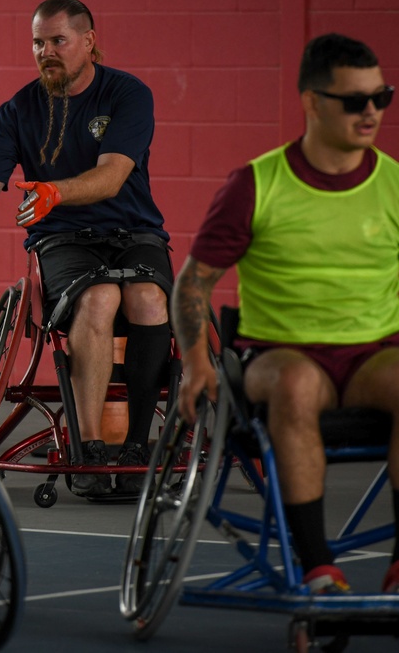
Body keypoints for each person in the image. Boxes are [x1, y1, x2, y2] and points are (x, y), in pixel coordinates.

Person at [171, 32, 399, 595]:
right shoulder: (256, 185)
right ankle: (319, 567)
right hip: (280, 353)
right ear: (312, 102)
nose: (371, 112)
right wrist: (196, 362)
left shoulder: (394, 184)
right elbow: (193, 282)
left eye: (381, 97)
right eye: (355, 100)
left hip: (373, 356)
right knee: (294, 384)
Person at [0, 0, 171, 497]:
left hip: (134, 232)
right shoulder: (18, 110)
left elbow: (112, 176)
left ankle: (137, 446)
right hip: (62, 239)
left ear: (89, 42)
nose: (46, 52)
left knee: (149, 298)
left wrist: (54, 191)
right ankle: (89, 449)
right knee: (100, 297)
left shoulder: (127, 94)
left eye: (58, 41)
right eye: (37, 43)